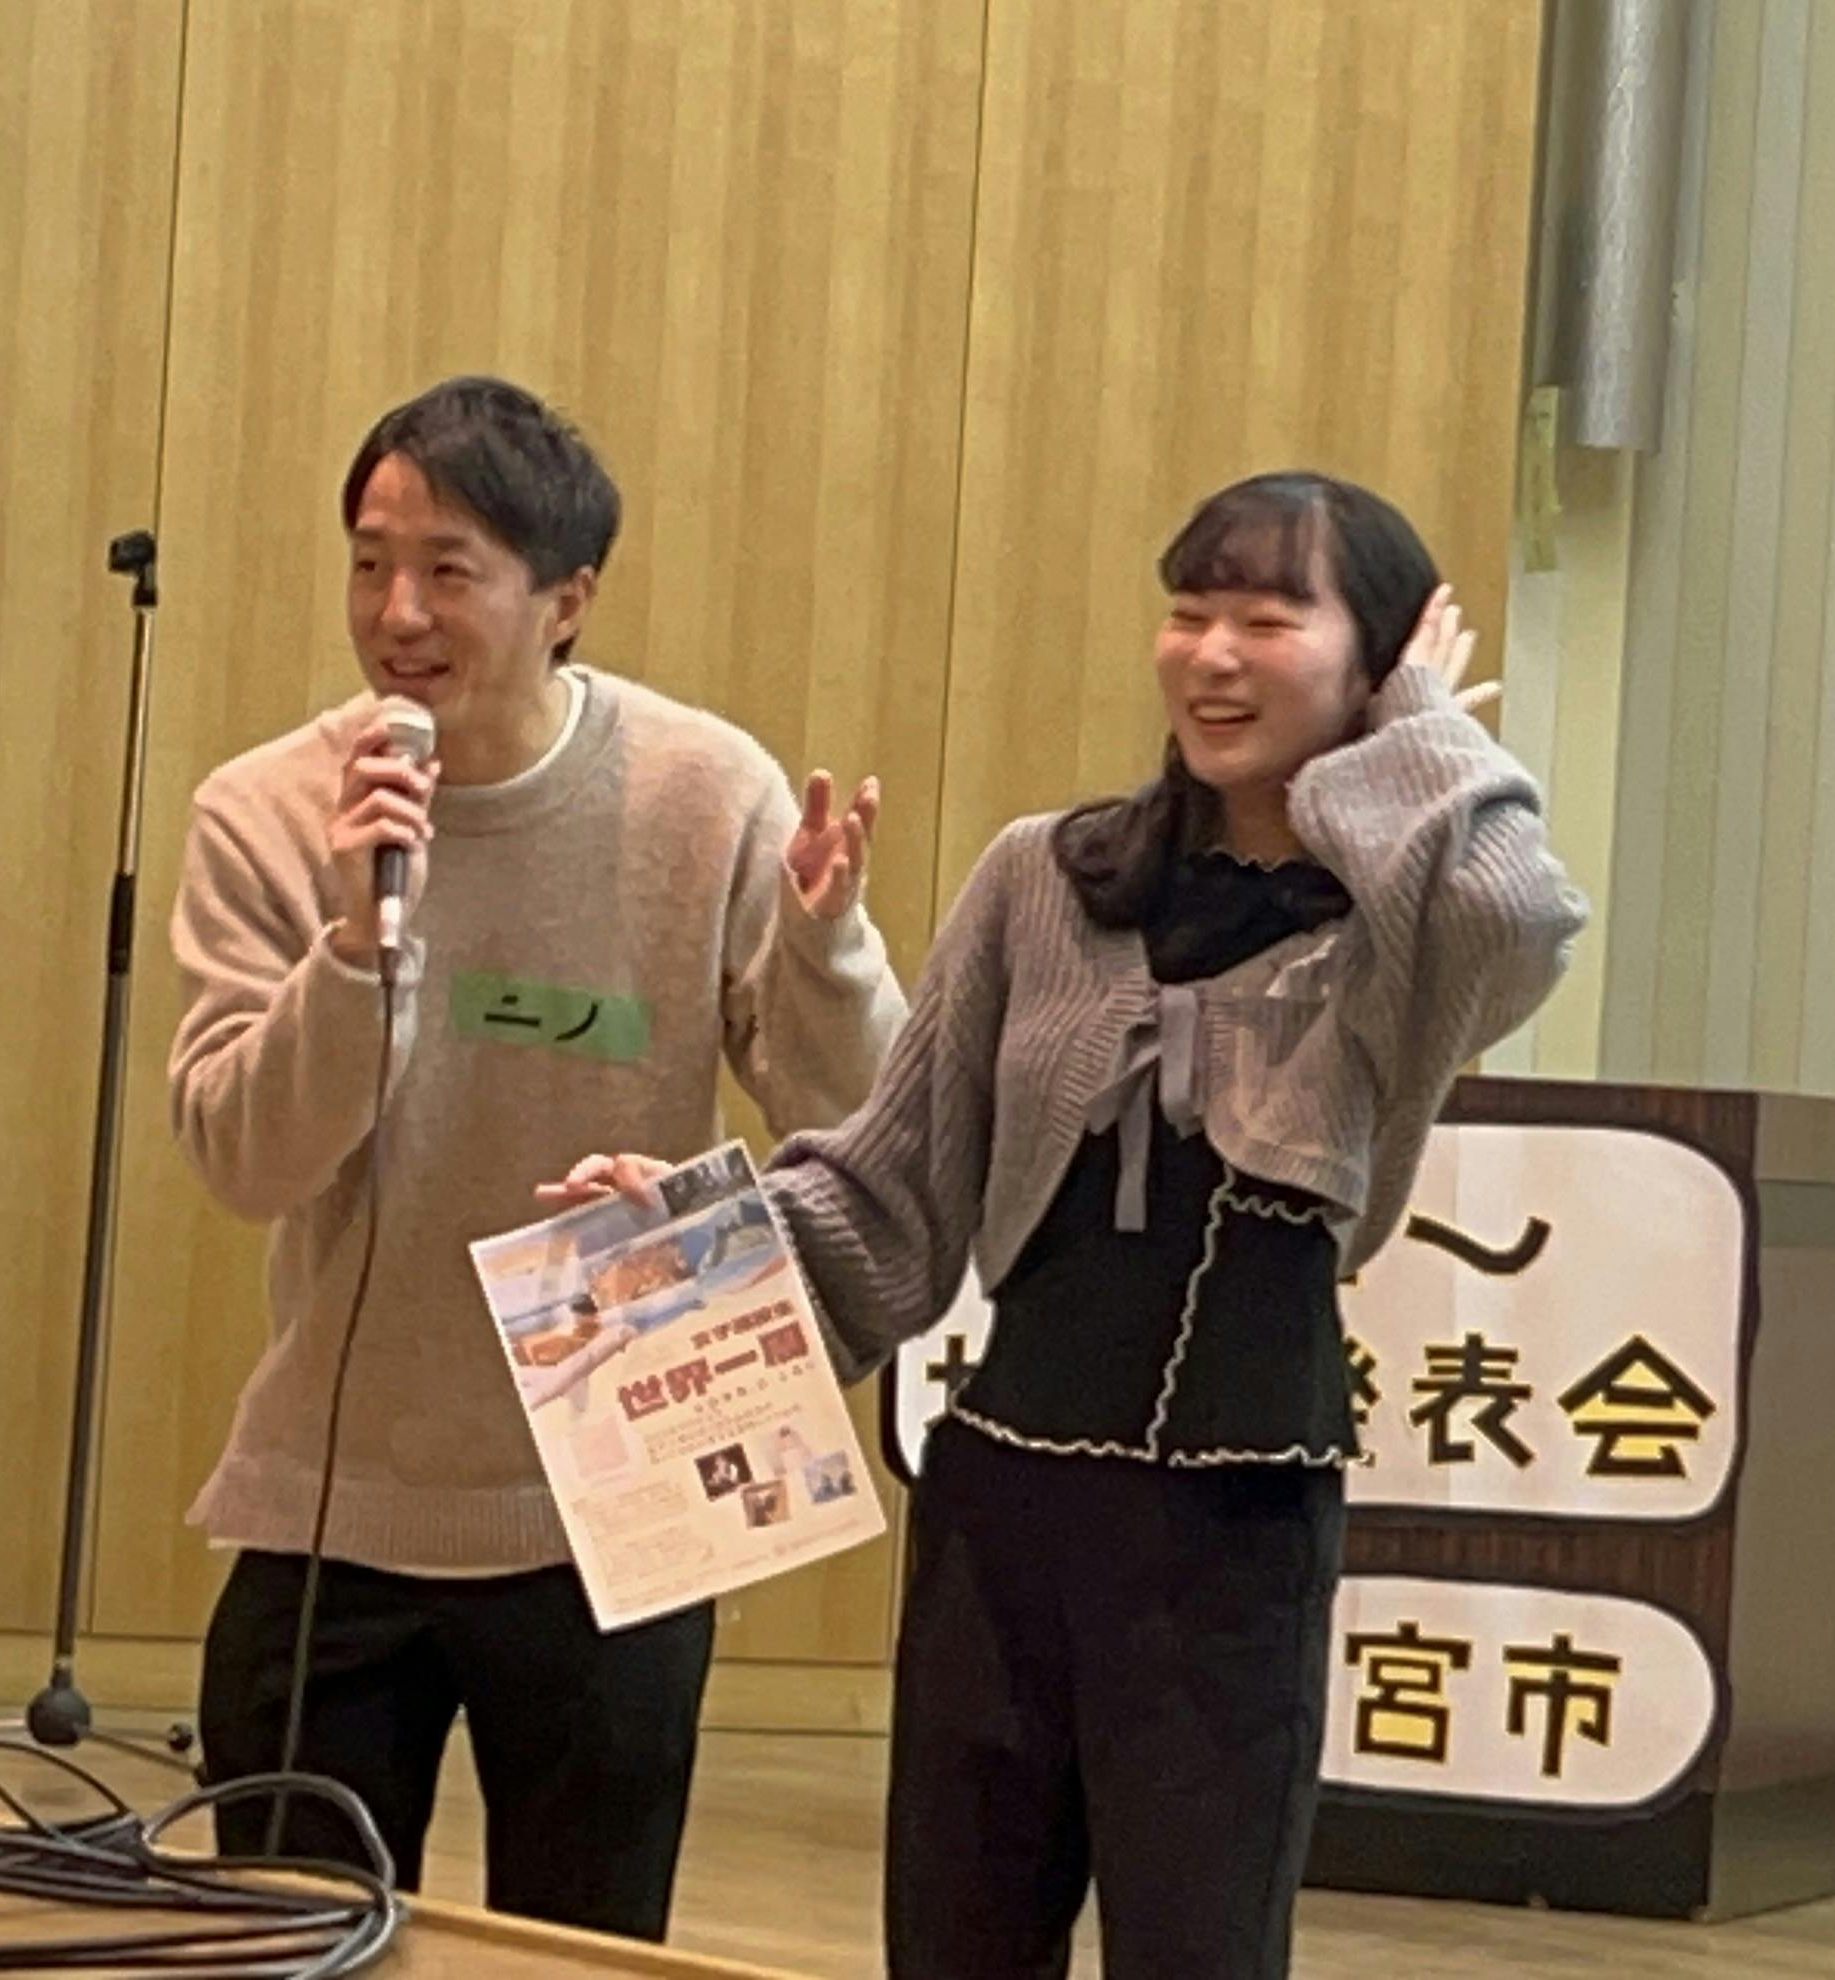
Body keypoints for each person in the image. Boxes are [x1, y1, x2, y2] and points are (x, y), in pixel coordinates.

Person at [552, 471, 1588, 1978]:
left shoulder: (1402, 926)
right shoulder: (1044, 877)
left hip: (1237, 1539)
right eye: (1189, 612)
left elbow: (1519, 915)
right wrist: (689, 1240)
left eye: (1268, 620)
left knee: (1198, 1953)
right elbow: (893, 1183)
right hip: (1000, 1513)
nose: (1212, 655)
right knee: (956, 1947)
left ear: (1375, 665)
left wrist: (1421, 731)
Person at [164, 375, 906, 1939]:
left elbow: (862, 1124)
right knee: (291, 1946)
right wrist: (358, 949)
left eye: (449, 569)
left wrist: (826, 950)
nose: (397, 613)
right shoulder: (269, 810)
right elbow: (243, 1161)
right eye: (371, 563)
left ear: (567, 599)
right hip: (332, 1504)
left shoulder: (705, 792)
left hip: (613, 1504)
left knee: (585, 1947)